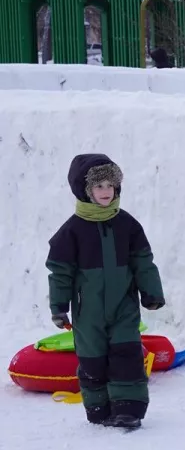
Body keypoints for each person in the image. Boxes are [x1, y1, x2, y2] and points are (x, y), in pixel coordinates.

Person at [46, 154, 165, 429]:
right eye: (99, 186)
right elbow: (60, 274)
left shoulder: (128, 225)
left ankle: (128, 408)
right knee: (93, 358)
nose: (106, 192)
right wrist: (59, 307)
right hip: (88, 310)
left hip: (123, 304)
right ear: (85, 190)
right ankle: (99, 407)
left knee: (126, 353)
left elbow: (143, 261)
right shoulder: (71, 232)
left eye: (111, 185)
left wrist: (151, 293)